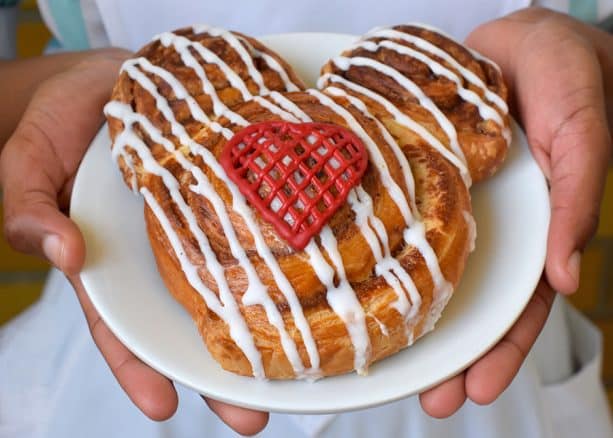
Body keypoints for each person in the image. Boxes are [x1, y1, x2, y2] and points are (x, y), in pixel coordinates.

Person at [0, 2, 612, 437]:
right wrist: (67, 93)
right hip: (126, 302)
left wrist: (589, 59)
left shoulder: (430, 156)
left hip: (490, 328)